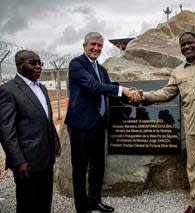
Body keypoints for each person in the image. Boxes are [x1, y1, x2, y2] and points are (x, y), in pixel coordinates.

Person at [139, 32, 195, 213]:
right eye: (183, 45)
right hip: (191, 125)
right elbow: (166, 93)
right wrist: (144, 95)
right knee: (193, 166)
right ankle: (194, 201)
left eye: (190, 43)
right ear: (180, 48)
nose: (187, 47)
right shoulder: (178, 71)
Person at [64, 32, 141, 213]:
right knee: (80, 168)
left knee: (98, 165)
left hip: (98, 123)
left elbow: (109, 92)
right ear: (84, 45)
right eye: (93, 44)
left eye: (99, 45)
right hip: (80, 125)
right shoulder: (77, 64)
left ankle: (95, 201)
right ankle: (82, 208)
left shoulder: (101, 69)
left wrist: (135, 96)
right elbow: (93, 86)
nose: (96, 48)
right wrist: (124, 89)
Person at [0, 50, 61, 213]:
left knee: (45, 200)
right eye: (33, 63)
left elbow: (47, 120)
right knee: (28, 204)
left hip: (46, 158)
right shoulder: (8, 90)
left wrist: (55, 142)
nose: (38, 66)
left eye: (40, 63)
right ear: (19, 65)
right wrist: (18, 161)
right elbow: (6, 131)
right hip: (27, 162)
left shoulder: (41, 88)